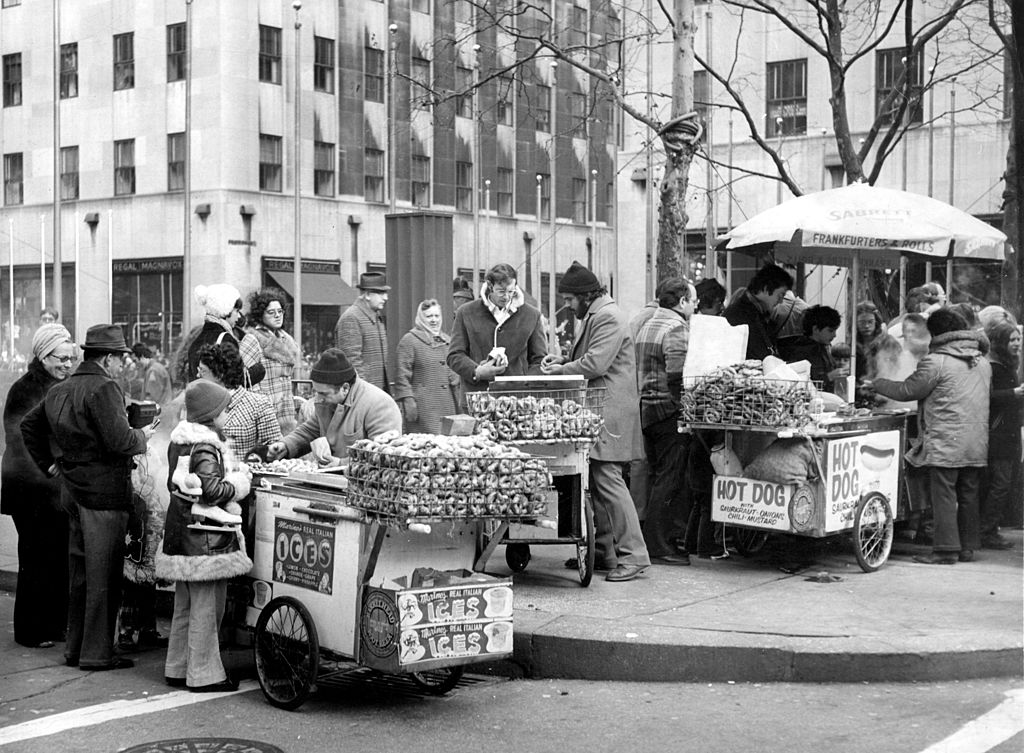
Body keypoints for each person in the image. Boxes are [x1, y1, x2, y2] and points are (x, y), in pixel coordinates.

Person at [21, 324, 156, 670]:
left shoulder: (61, 388)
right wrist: (143, 434)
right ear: (109, 359)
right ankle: (97, 654)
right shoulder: (104, 387)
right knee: (105, 576)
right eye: (120, 358)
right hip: (104, 495)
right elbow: (120, 441)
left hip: (72, 490)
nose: (122, 365)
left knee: (80, 575)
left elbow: (29, 426)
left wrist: (51, 465)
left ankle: (76, 648)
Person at [542, 261, 651, 583]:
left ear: (586, 296)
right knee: (599, 480)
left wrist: (560, 371)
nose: (567, 304)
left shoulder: (607, 316)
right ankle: (604, 551)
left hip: (609, 411)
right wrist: (563, 361)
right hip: (604, 407)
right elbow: (595, 357)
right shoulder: (598, 313)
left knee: (607, 480)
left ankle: (634, 555)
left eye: (570, 299)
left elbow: (596, 363)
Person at [864, 309, 990, 565]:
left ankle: (945, 550)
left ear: (937, 333)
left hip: (945, 440)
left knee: (943, 494)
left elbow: (909, 389)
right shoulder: (982, 361)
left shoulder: (937, 361)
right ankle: (967, 548)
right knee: (968, 493)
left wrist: (877, 383)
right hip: (976, 440)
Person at [157, 379, 253, 692]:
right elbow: (211, 491)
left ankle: (177, 667)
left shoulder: (180, 441)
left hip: (182, 535)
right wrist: (239, 483)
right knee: (207, 607)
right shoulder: (206, 446)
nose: (227, 415)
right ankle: (204, 675)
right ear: (211, 414)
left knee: (184, 604)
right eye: (224, 410)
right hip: (205, 540)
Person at [1, 323, 75, 648]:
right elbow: (20, 438)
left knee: (56, 555)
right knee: (34, 557)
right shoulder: (25, 389)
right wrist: (51, 465)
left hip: (51, 488)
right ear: (44, 356)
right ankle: (31, 631)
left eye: (71, 359)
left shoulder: (58, 384)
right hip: (30, 490)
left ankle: (54, 625)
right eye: (61, 359)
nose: (67, 365)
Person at [634, 277, 694, 566]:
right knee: (669, 478)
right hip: (668, 411)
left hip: (646, 408)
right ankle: (659, 544)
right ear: (682, 302)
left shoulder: (649, 323)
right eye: (692, 301)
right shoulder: (676, 327)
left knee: (657, 476)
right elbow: (677, 374)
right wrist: (683, 408)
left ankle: (653, 539)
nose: (694, 307)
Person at [266, 348, 402, 465]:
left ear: (345, 388)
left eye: (323, 394)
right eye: (316, 392)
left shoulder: (380, 405)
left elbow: (384, 456)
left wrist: (341, 464)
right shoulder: (328, 401)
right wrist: (286, 445)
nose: (318, 399)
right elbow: (310, 430)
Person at [447, 263, 548, 405]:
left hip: (518, 405)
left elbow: (539, 360)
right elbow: (454, 355)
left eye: (511, 291)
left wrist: (524, 387)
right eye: (501, 291)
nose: (506, 297)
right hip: (476, 401)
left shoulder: (532, 315)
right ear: (489, 286)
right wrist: (477, 371)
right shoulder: (466, 312)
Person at [196, 344, 283, 461]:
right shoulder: (197, 403)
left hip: (245, 476)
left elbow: (275, 447)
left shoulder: (259, 404)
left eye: (203, 371)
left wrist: (256, 459)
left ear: (219, 375)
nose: (198, 375)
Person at [979, 320, 1022, 550]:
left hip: (1008, 433)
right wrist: (1014, 393)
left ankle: (990, 528)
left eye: (1018, 339)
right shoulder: (994, 366)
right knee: (1000, 483)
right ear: (1001, 343)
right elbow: (987, 397)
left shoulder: (1007, 364)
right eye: (1011, 340)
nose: (1016, 344)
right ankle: (987, 530)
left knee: (1002, 482)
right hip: (999, 435)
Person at [395, 299, 459, 434]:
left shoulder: (447, 341)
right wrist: (409, 403)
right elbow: (402, 377)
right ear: (421, 318)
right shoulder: (409, 341)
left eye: (437, 316)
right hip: (424, 409)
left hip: (448, 406)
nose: (434, 320)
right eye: (429, 316)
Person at [186, 284, 265, 389]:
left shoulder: (197, 339)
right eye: (236, 311)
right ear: (225, 310)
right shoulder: (226, 339)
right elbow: (235, 382)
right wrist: (258, 371)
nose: (239, 316)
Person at [246, 288, 301, 431]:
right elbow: (245, 376)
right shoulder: (253, 338)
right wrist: (262, 402)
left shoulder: (285, 338)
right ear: (260, 315)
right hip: (264, 413)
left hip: (286, 411)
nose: (277, 316)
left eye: (280, 311)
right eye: (271, 312)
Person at [722, 264, 794, 360]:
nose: (781, 301)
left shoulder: (758, 313)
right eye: (780, 295)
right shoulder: (738, 315)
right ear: (765, 288)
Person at [335, 272, 391, 393]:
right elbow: (352, 363)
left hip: (376, 395)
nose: (385, 298)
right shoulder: (352, 318)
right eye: (381, 293)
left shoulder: (375, 317)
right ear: (367, 295)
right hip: (363, 396)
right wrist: (365, 394)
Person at [777, 305, 848, 392]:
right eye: (830, 330)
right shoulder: (801, 350)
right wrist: (829, 377)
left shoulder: (822, 347)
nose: (834, 335)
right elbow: (801, 381)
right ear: (816, 329)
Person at [132, 343, 174, 407]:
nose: (135, 364)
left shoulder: (153, 371)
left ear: (142, 356)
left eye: (135, 360)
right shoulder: (156, 367)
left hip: (158, 413)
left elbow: (151, 399)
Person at [854, 301, 885, 382]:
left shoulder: (887, 342)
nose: (866, 326)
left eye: (870, 322)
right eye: (862, 322)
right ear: (856, 323)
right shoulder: (853, 346)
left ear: (876, 322)